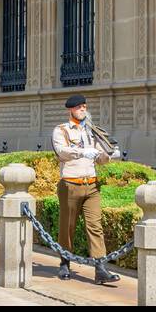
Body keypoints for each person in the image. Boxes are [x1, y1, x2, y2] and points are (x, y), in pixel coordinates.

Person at [51, 95, 120, 285]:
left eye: (84, 107)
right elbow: (61, 152)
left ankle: (100, 269)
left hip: (91, 185)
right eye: (79, 107)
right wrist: (82, 152)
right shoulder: (61, 130)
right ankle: (65, 263)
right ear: (70, 110)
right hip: (70, 185)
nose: (83, 109)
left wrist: (110, 155)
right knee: (67, 227)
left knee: (95, 226)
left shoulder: (92, 131)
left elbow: (99, 158)